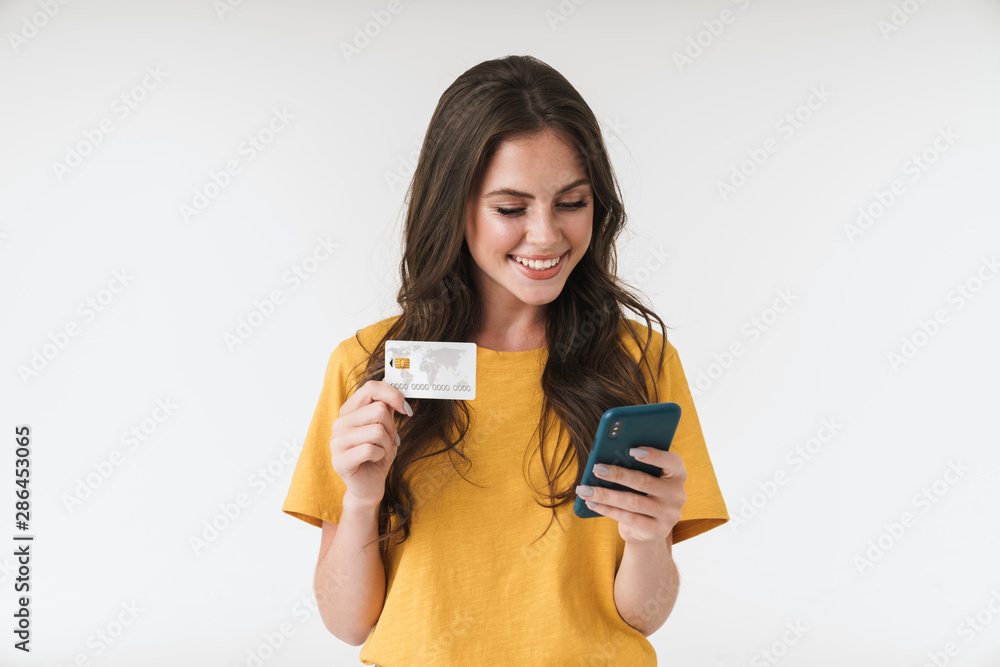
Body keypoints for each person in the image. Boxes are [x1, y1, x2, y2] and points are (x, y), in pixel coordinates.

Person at [281, 54, 728, 665]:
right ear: (453, 207)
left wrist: (649, 537)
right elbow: (348, 623)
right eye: (511, 209)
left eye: (571, 202)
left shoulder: (639, 360)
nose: (545, 236)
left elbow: (641, 618)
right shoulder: (367, 364)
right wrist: (360, 499)